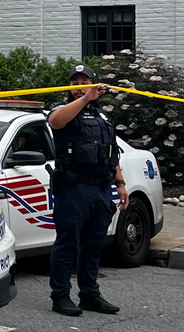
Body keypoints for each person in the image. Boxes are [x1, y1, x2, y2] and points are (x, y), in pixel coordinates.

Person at [46, 64, 127, 317]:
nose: (78, 85)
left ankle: (89, 294)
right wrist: (84, 99)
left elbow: (111, 154)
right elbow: (56, 122)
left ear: (94, 83)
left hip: (101, 189)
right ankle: (60, 296)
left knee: (93, 245)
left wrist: (120, 184)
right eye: (74, 82)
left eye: (84, 81)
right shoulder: (63, 110)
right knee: (67, 244)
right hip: (73, 189)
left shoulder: (103, 117)